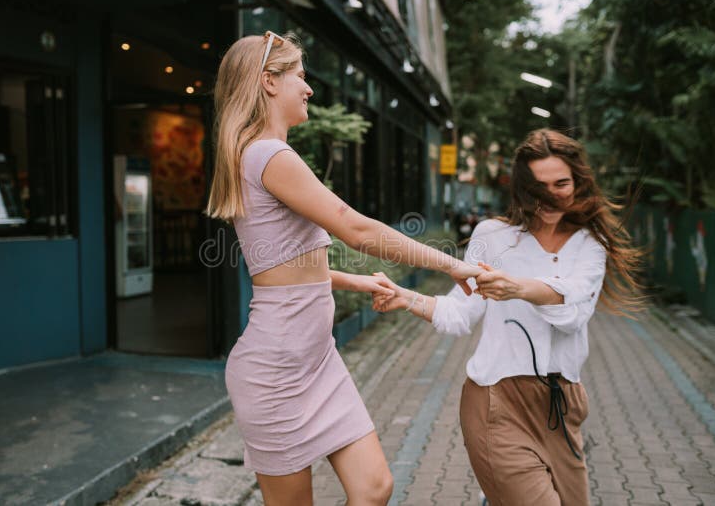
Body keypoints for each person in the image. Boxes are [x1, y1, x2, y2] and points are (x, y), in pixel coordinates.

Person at [205, 31, 483, 506]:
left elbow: (281, 269)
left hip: (317, 360)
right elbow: (355, 228)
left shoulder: (254, 154)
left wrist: (356, 279)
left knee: (374, 487)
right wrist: (452, 264)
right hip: (277, 370)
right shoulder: (269, 154)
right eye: (300, 76)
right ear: (269, 82)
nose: (308, 88)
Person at [373, 129, 644, 506]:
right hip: (497, 402)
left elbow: (574, 314)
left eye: (561, 184)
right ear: (521, 188)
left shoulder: (590, 244)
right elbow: (460, 313)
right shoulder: (493, 236)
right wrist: (408, 298)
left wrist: (518, 288)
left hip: (563, 406)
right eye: (538, 186)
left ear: (578, 182)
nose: (550, 196)